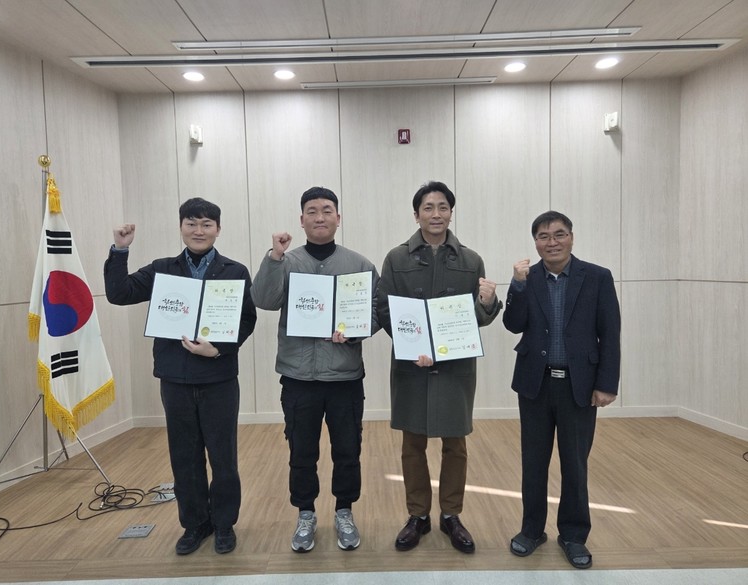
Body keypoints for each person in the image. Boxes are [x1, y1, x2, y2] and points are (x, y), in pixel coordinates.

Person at [104, 197, 257, 556]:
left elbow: (247, 319)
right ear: (181, 227)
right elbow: (119, 293)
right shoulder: (162, 269)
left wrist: (218, 349)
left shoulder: (234, 271)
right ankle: (195, 524)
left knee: (223, 457)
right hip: (175, 378)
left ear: (218, 229)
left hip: (219, 377)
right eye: (191, 223)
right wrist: (120, 250)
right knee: (184, 458)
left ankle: (224, 524)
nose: (198, 230)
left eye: (206, 224)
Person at [251, 186, 379, 553]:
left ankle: (344, 511)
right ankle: (305, 513)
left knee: (348, 450)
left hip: (344, 376)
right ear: (301, 219)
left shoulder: (359, 265)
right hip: (298, 377)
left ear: (338, 218)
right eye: (312, 211)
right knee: (302, 451)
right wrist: (274, 256)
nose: (319, 217)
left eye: (326, 210)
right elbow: (263, 299)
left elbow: (375, 312)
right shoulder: (286, 261)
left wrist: (355, 332)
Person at [377, 181, 502, 554]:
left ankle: (451, 515)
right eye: (428, 207)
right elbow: (385, 309)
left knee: (455, 444)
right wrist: (415, 345)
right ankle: (418, 515)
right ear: (416, 215)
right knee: (412, 444)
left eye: (443, 207)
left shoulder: (470, 260)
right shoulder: (396, 259)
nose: (436, 214)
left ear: (451, 212)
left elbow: (477, 317)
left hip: (454, 367)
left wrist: (488, 302)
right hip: (412, 366)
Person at [503, 210, 620, 569]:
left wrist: (606, 384)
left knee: (575, 464)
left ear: (571, 237)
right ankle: (531, 530)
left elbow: (610, 334)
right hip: (535, 384)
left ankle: (573, 535)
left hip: (579, 386)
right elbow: (513, 324)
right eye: (543, 236)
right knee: (533, 463)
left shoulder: (597, 277)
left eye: (559, 234)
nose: (551, 242)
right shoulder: (527, 278)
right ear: (535, 242)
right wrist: (517, 286)